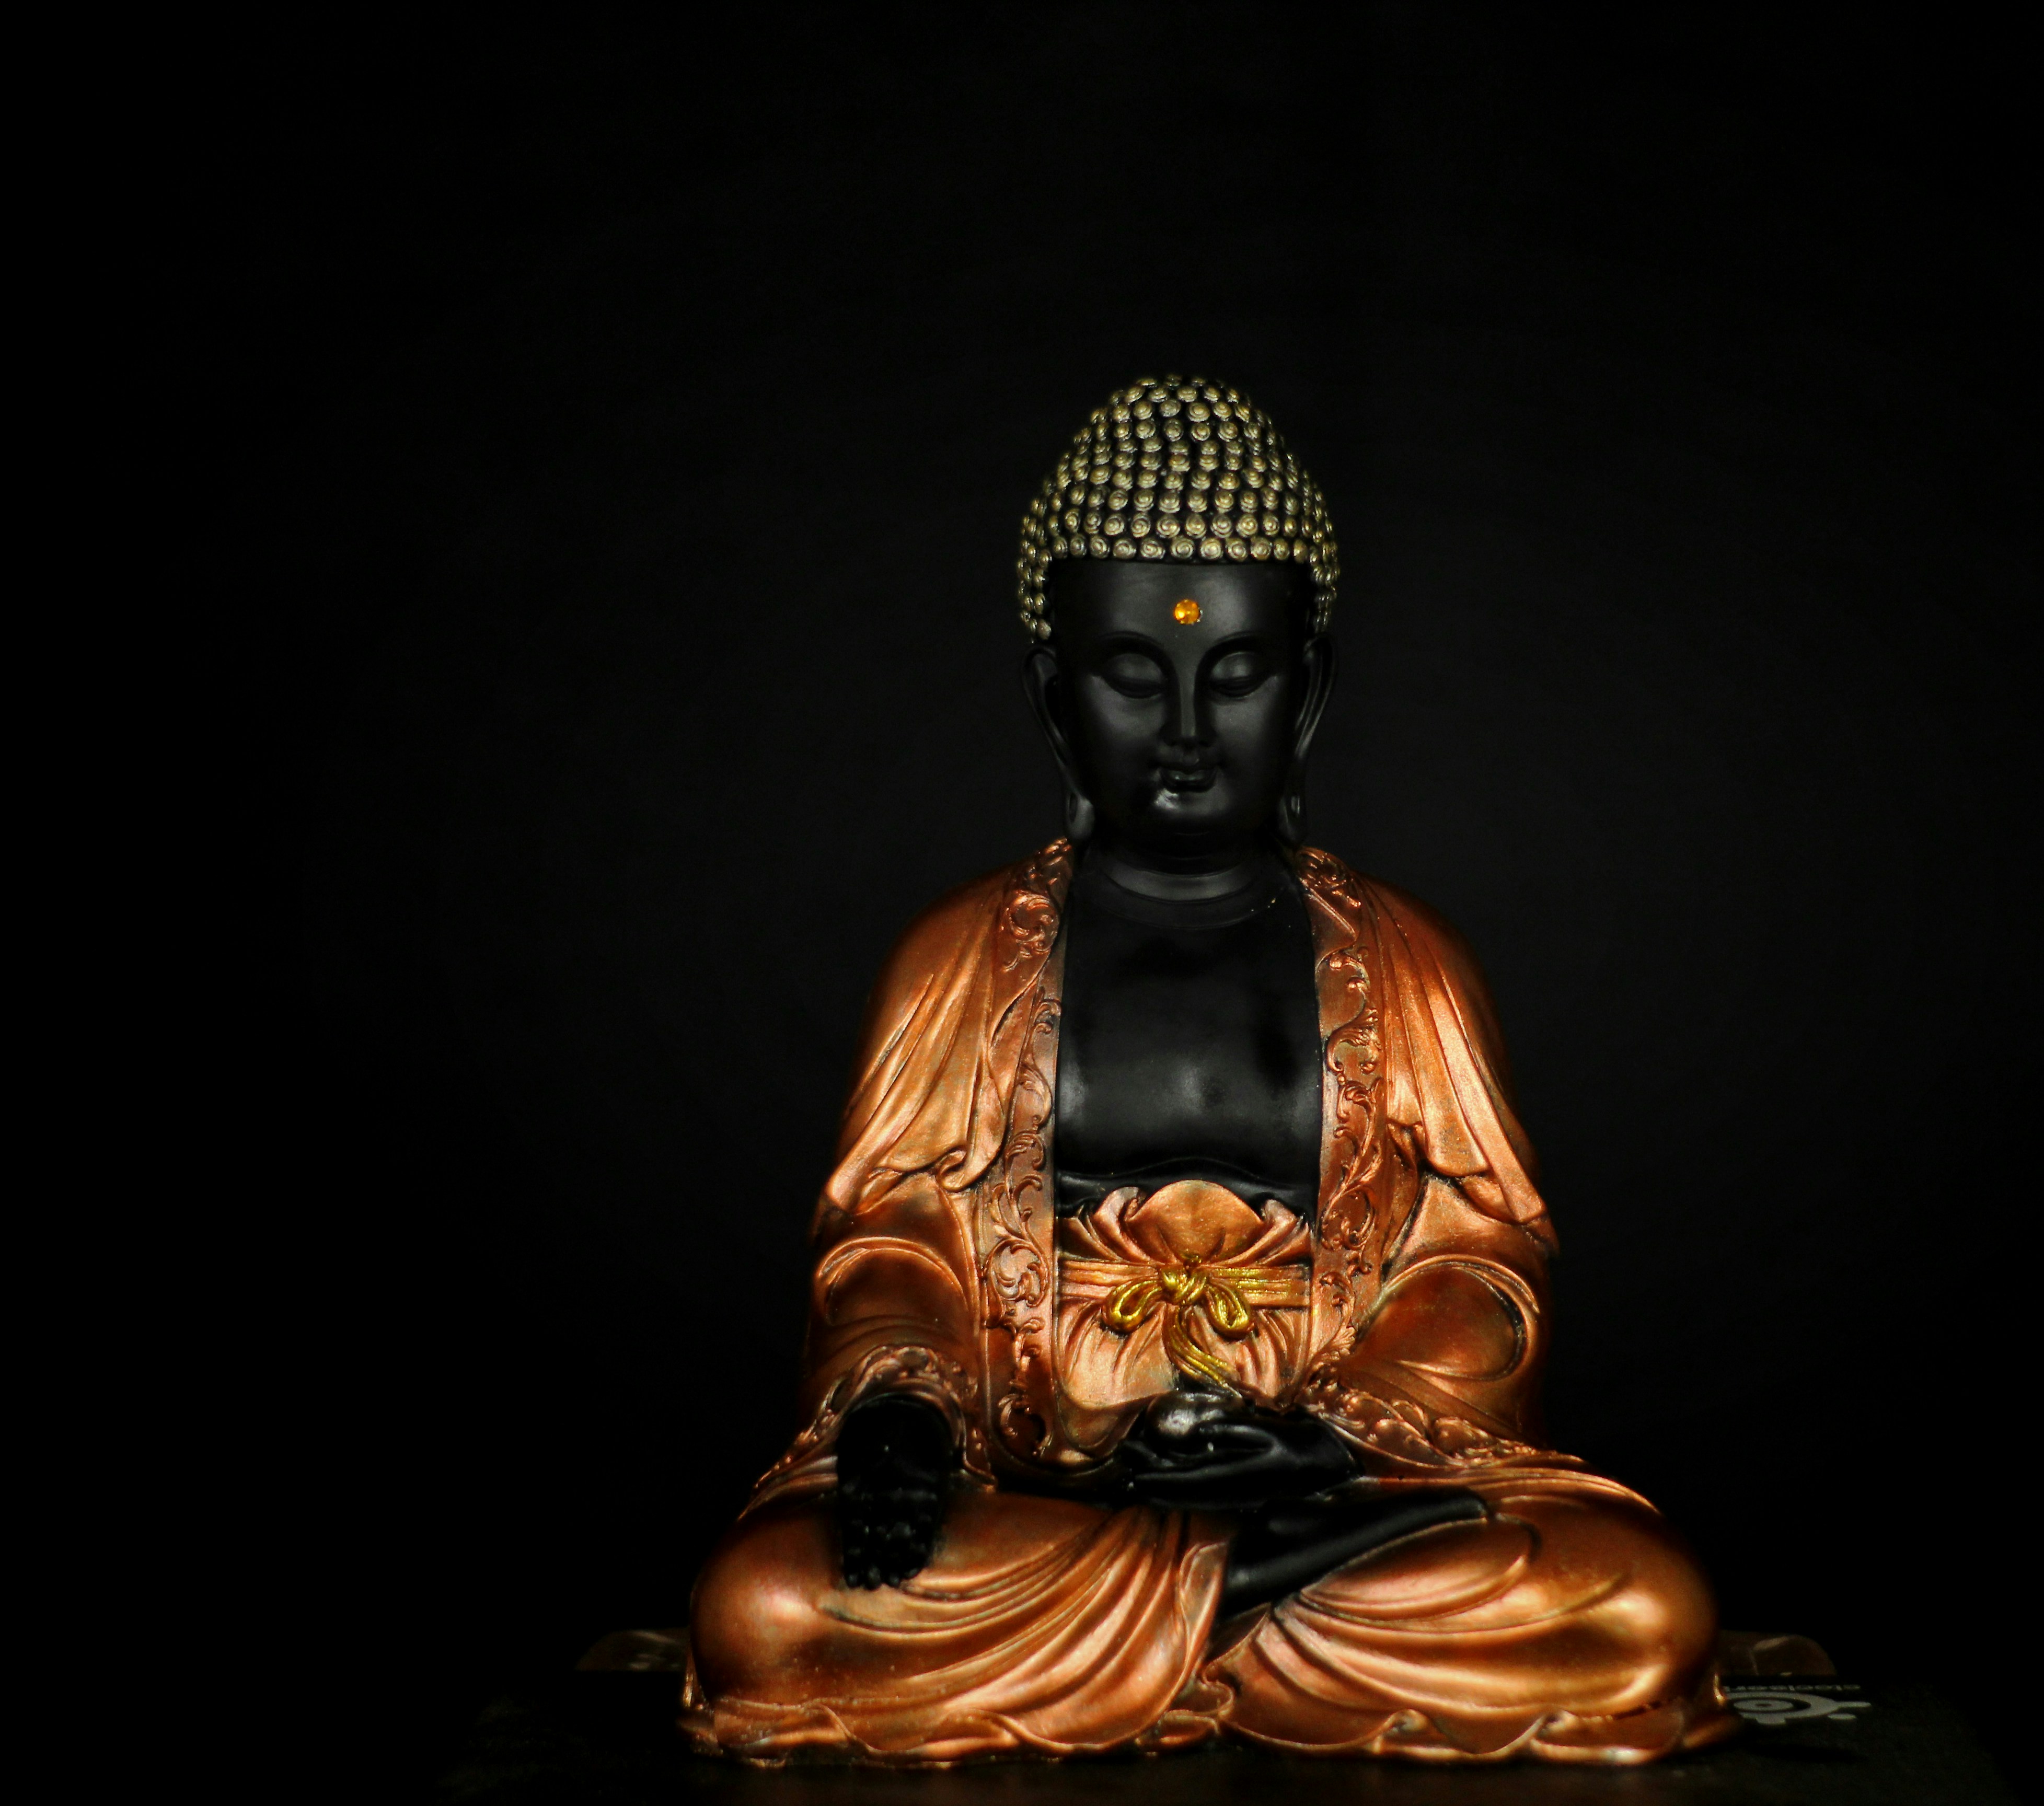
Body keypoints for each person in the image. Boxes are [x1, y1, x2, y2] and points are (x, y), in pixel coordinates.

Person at [684, 378, 1765, 1764]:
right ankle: (1230, 1617)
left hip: (1327, 1492)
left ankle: (1162, 1632)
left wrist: (1332, 1437)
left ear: (1306, 694)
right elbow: (893, 1241)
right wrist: (900, 1408)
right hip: (1038, 1483)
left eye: (1234, 671)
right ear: (1053, 696)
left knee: (1638, 1605)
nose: (1187, 725)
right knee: (768, 1603)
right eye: (1134, 675)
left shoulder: (1407, 961)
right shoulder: (956, 961)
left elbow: (1477, 1264)